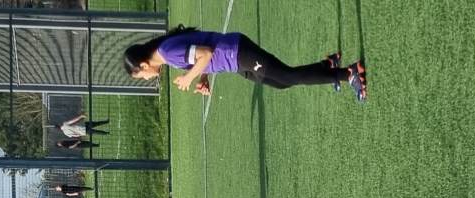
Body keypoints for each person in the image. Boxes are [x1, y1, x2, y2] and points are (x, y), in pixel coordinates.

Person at [122, 26, 365, 98]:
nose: (146, 78)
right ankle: (327, 67)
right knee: (280, 83)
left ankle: (349, 73)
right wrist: (203, 76)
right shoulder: (166, 52)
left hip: (238, 53)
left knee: (287, 76)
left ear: (143, 65)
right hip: (235, 62)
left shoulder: (167, 53)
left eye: (141, 76)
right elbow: (202, 54)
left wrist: (188, 78)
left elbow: (206, 53)